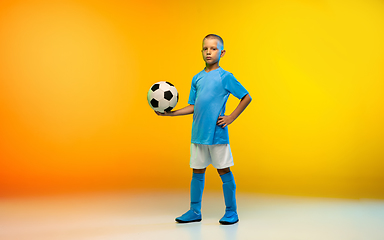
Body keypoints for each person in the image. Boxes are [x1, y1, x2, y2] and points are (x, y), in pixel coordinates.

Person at [155, 34, 251, 225]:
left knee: (224, 170)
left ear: (222, 53)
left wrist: (231, 117)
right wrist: (170, 114)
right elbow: (194, 106)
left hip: (216, 135)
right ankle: (194, 210)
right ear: (201, 51)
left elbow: (246, 97)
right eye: (205, 48)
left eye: (213, 48)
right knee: (197, 172)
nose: (209, 52)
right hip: (198, 135)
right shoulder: (197, 78)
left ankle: (232, 211)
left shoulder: (226, 77)